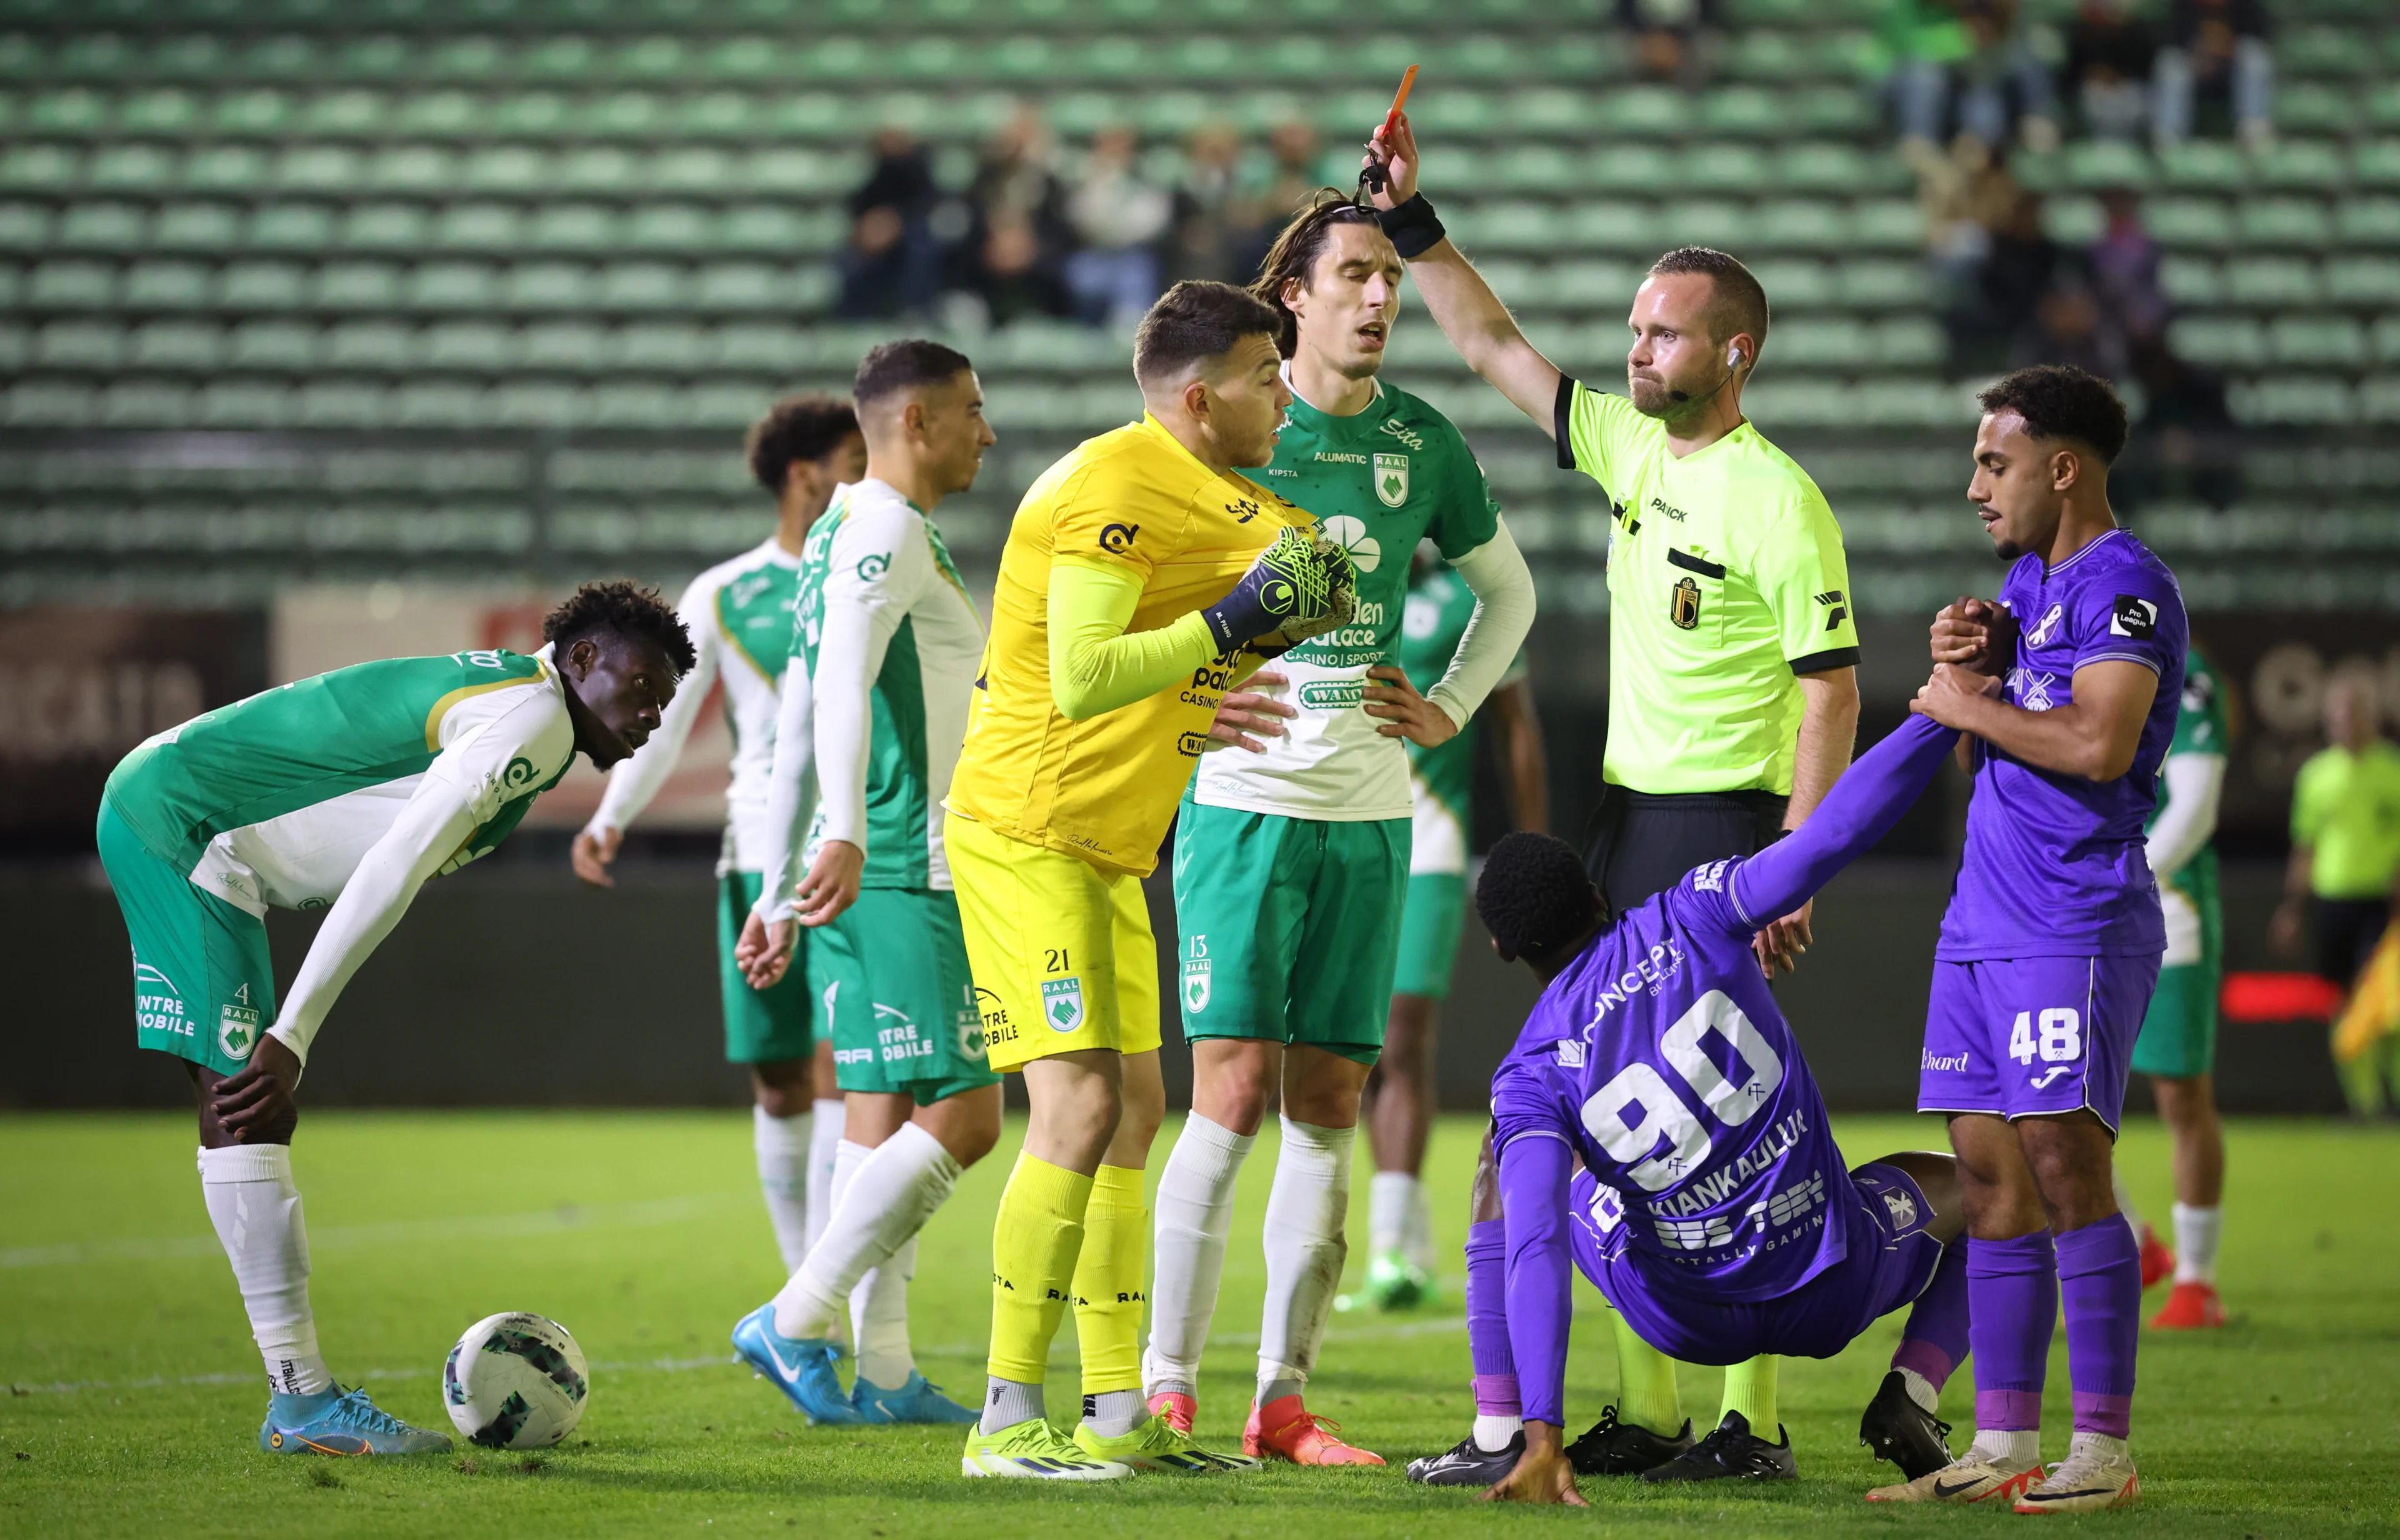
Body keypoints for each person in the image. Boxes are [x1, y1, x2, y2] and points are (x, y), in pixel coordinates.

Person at [1366, 109, 1863, 1482]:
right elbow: (1490, 347)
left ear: (1733, 353)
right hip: (1631, 815)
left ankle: (1747, 1419)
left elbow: (1834, 693)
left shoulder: (1779, 501)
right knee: (1622, 1123)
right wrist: (1414, 222)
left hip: (1725, 825)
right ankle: (1653, 1411)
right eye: (1637, 330)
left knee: (1721, 1120)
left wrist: (1797, 863)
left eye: (1663, 334)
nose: (1636, 350)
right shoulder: (1634, 450)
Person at [98, 582, 693, 1455]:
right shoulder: (534, 720)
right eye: (643, 687)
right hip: (187, 828)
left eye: (667, 704)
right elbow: (394, 866)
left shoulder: (517, 707)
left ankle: (300, 1401)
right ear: (583, 659)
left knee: (243, 1111)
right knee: (248, 1105)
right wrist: (290, 1039)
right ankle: (302, 1404)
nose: (650, 717)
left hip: (193, 827)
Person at [1139, 195, 1539, 1468]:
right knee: (1232, 1091)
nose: (1379, 297)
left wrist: (1449, 707)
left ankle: (1284, 1400)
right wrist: (1186, 702)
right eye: (1354, 276)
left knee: (1329, 1097)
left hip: (1372, 815)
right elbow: (1123, 593)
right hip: (1245, 810)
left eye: (1388, 276)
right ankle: (1164, 1385)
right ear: (1294, 297)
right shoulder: (1227, 427)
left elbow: (1510, 591)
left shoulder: (1423, 440)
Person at [944, 280, 1355, 1480]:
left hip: (1109, 844)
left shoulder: (1211, 490)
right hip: (1033, 828)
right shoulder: (1116, 479)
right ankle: (1004, 1415)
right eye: (1264, 376)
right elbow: (1078, 674)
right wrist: (1228, 628)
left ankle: (1120, 1415)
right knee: (1076, 1110)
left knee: (1133, 1113)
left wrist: (1211, 665)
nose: (1281, 393)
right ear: (1197, 394)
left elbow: (1309, 589)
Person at [1462, 708, 1984, 1507]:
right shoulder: (1695, 911)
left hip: (1688, 1318)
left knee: (1515, 1170)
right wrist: (1939, 716)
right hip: (1829, 1282)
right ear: (1598, 897)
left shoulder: (1528, 1072)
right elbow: (1833, 834)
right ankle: (1911, 1389)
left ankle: (1505, 1431)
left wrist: (1546, 1439)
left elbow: (1534, 1245)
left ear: (1503, 950)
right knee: (1993, 1189)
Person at [1911, 363, 2188, 1513]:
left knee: (2070, 1166)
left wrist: (1962, 699)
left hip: (2071, 918)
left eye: (1995, 461)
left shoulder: (2129, 588)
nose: (1975, 484)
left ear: (2061, 467)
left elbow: (2098, 744)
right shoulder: (2027, 584)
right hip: (1982, 915)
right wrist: (1979, 665)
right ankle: (2002, 1435)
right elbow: (2005, 744)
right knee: (1989, 1173)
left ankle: (2104, 1449)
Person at [724, 342, 1002, 1428]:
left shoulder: (847, 529)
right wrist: (838, 835)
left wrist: (784, 875)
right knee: (971, 1115)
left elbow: (810, 706)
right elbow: (837, 682)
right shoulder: (882, 524)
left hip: (857, 858)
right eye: (974, 411)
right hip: (897, 862)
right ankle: (797, 1317)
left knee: (880, 1113)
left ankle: (883, 1367)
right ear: (918, 420)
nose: (988, 432)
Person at [573, 396, 866, 1285]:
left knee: (838, 1069)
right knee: (779, 1079)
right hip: (754, 853)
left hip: (848, 852)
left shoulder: (877, 569)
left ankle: (823, 1290)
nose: (871, 471)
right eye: (855, 455)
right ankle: (797, 1286)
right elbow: (662, 724)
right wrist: (612, 814)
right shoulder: (728, 592)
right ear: (803, 473)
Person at [1359, 549, 1548, 1311]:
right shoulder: (1338, 592)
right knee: (1345, 1044)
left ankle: (1388, 1251)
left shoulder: (1470, 603)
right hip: (1340, 837)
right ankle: (1394, 1226)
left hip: (1430, 841)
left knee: (1402, 1035)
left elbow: (1517, 727)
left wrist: (1534, 846)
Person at [2111, 646, 2231, 1330]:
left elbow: (2197, 805)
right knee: (2057, 1091)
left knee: (2182, 1093)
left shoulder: (2189, 674)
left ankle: (2198, 1280)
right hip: (2086, 904)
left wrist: (2124, 880)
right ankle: (2132, 1241)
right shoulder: (2069, 652)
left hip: (2170, 901)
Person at [2272, 671, 2400, 1115]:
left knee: (2386, 1004)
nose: (2344, 722)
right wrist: (2293, 908)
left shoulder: (2392, 769)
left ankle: (2393, 1094)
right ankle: (2365, 1105)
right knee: (2343, 1004)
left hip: (2381, 903)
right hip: (2332, 902)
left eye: (2352, 713)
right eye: (2336, 715)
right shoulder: (2317, 776)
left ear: (2372, 716)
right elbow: (2305, 846)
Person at [1064, 126, 1174, 330]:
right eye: (1108, 146)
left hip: (1133, 256)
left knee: (1137, 285)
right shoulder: (1086, 181)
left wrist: (1116, 228)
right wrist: (1101, 182)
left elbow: (1154, 222)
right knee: (1081, 278)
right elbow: (1079, 218)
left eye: (1122, 147)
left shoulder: (1147, 180)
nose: (1115, 153)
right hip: (1093, 254)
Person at [838, 128, 944, 321]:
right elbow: (860, 206)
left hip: (909, 241)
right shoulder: (873, 172)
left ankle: (915, 312)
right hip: (874, 245)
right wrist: (869, 227)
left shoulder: (919, 173)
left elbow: (927, 205)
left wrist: (895, 223)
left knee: (921, 249)